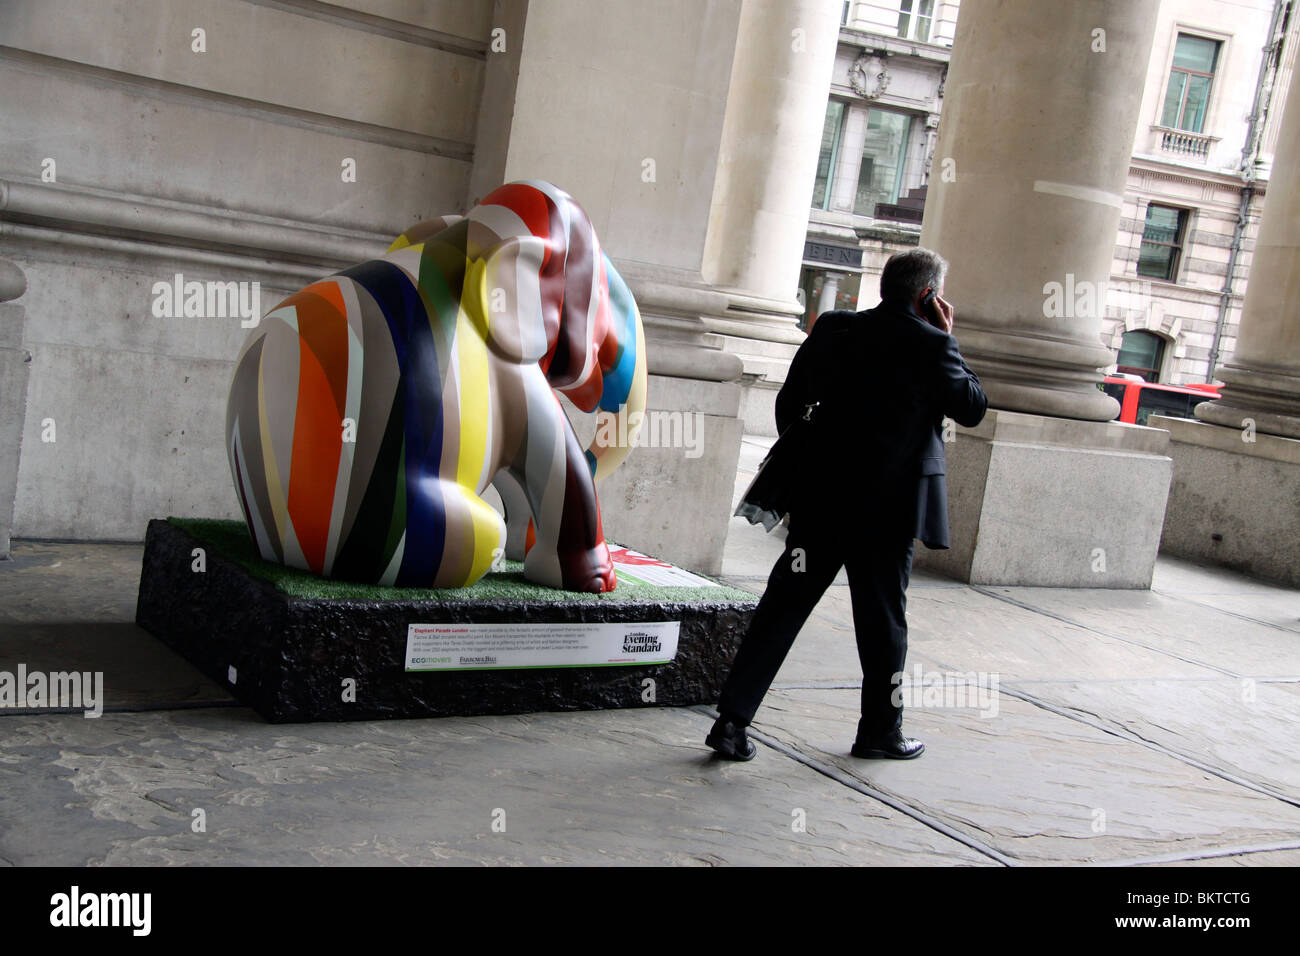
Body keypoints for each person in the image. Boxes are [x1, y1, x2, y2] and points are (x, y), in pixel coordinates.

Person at [707, 248, 988, 761]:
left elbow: (789, 404)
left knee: (781, 610)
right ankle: (880, 732)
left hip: (821, 501)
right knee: (883, 623)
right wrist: (948, 338)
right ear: (928, 296)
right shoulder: (933, 345)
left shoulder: (835, 327)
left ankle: (731, 723)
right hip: (889, 511)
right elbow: (971, 406)